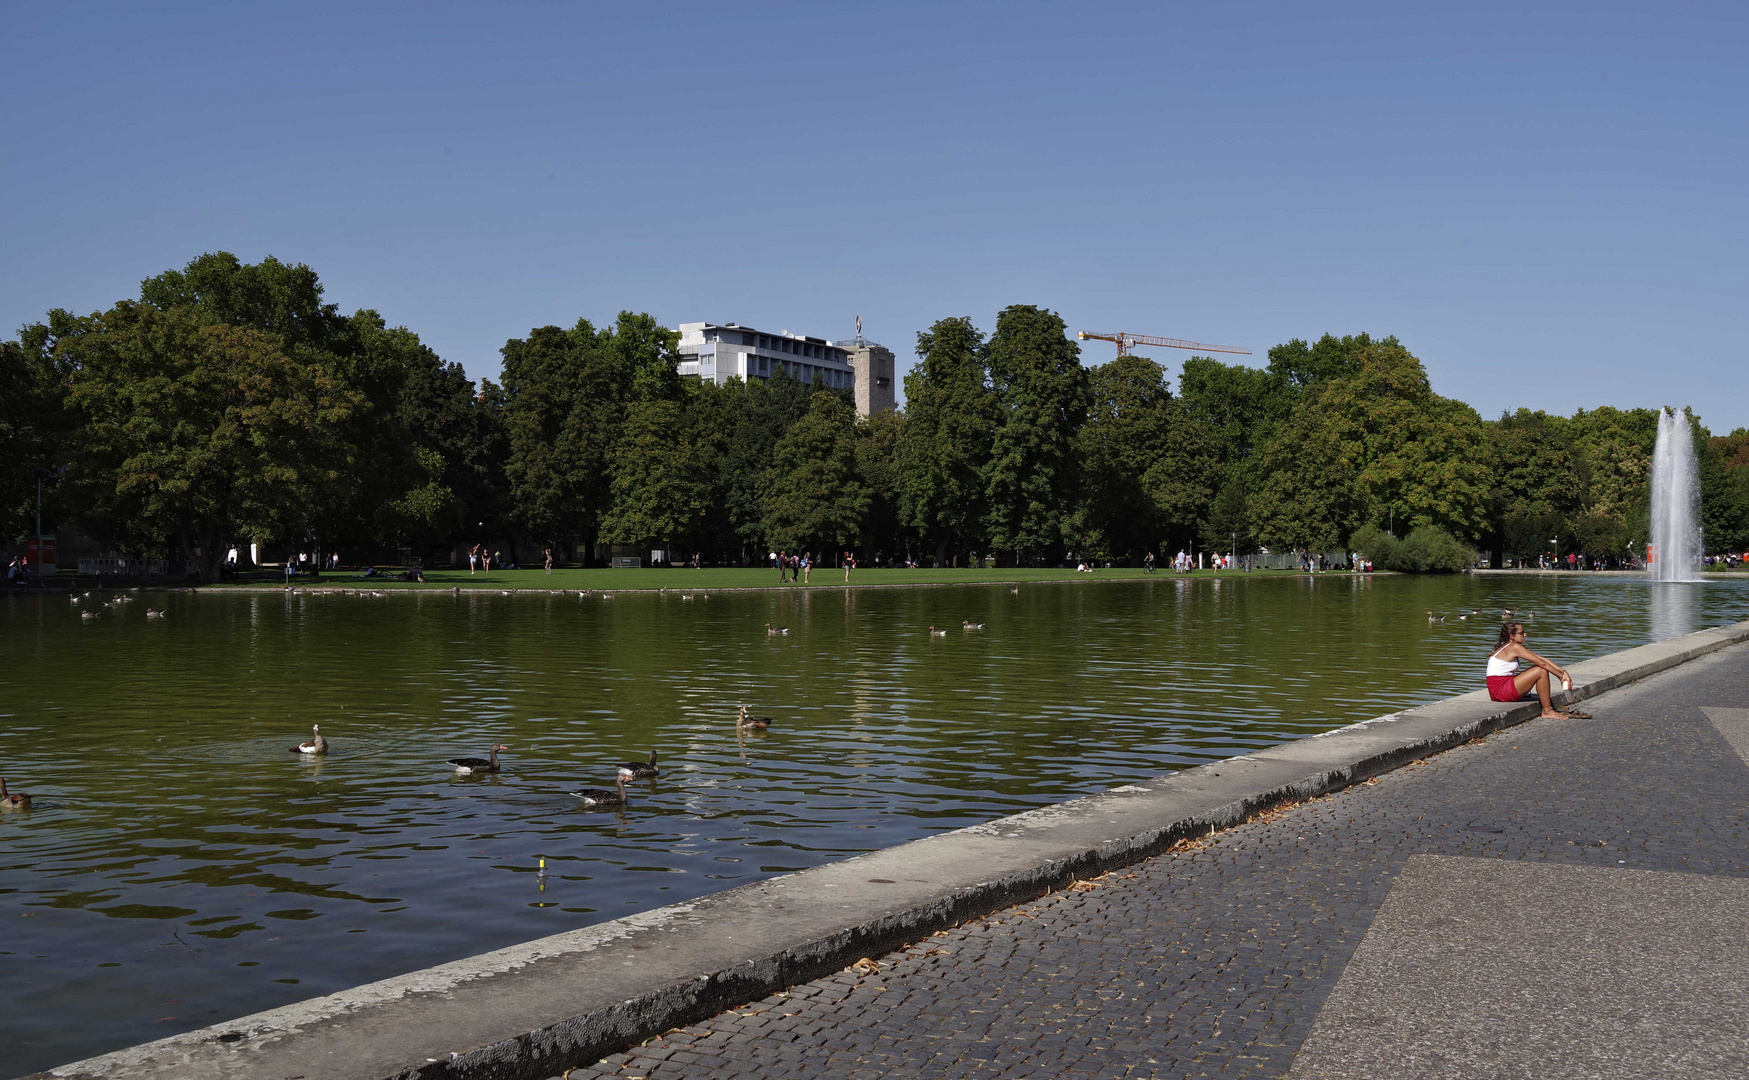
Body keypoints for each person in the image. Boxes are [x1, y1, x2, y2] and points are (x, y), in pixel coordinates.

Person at [1486, 622, 1588, 719]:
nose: (1525, 635)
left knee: (1540, 669)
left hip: (1499, 690)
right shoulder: (1514, 647)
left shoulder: (1511, 646)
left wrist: (1563, 672)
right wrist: (1560, 676)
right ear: (1512, 636)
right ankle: (1547, 711)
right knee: (1540, 670)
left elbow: (1543, 659)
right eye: (1522, 633)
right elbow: (1542, 664)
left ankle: (1548, 709)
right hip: (1501, 692)